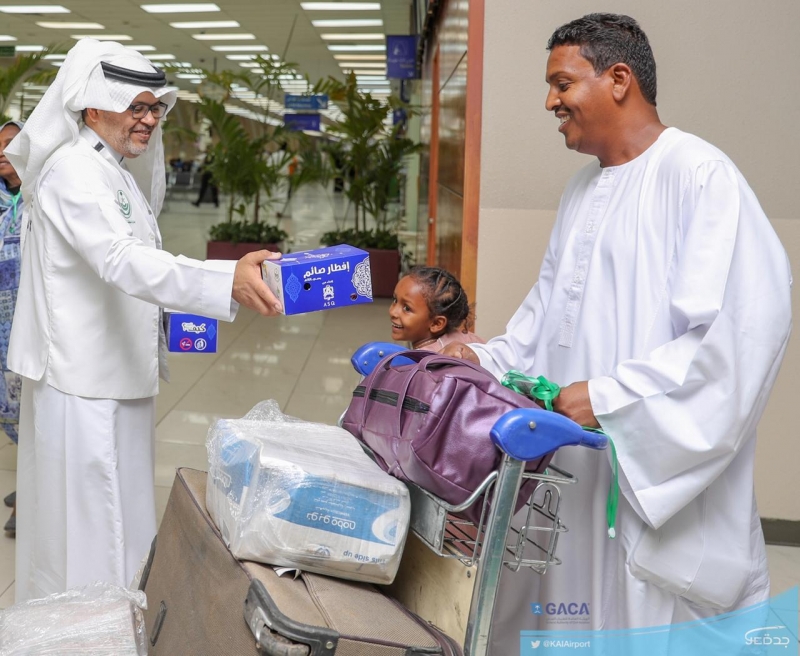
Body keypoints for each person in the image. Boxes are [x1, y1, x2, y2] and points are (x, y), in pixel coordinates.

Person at [442, 12, 792, 645]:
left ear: (620, 79)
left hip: (652, 492)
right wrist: (479, 360)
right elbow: (543, 321)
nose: (550, 102)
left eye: (562, 84)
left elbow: (735, 341)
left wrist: (607, 398)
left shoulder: (700, 175)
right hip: (574, 479)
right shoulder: (583, 189)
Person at [4, 38, 285, 602]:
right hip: (81, 381)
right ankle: (88, 631)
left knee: (121, 515)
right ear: (92, 107)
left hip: (115, 374)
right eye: (136, 107)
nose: (150, 119)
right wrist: (222, 279)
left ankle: (123, 617)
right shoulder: (73, 171)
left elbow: (138, 262)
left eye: (156, 107)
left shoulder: (110, 169)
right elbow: (119, 259)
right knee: (90, 529)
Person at [0, 120, 25, 536]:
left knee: (31, 410)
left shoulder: (44, 196)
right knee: (7, 408)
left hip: (30, 320)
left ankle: (32, 496)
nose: (1, 152)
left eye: (10, 144)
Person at [390, 266, 483, 352]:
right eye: (395, 300)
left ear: (436, 323)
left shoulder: (423, 360)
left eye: (407, 308)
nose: (392, 312)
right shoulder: (471, 339)